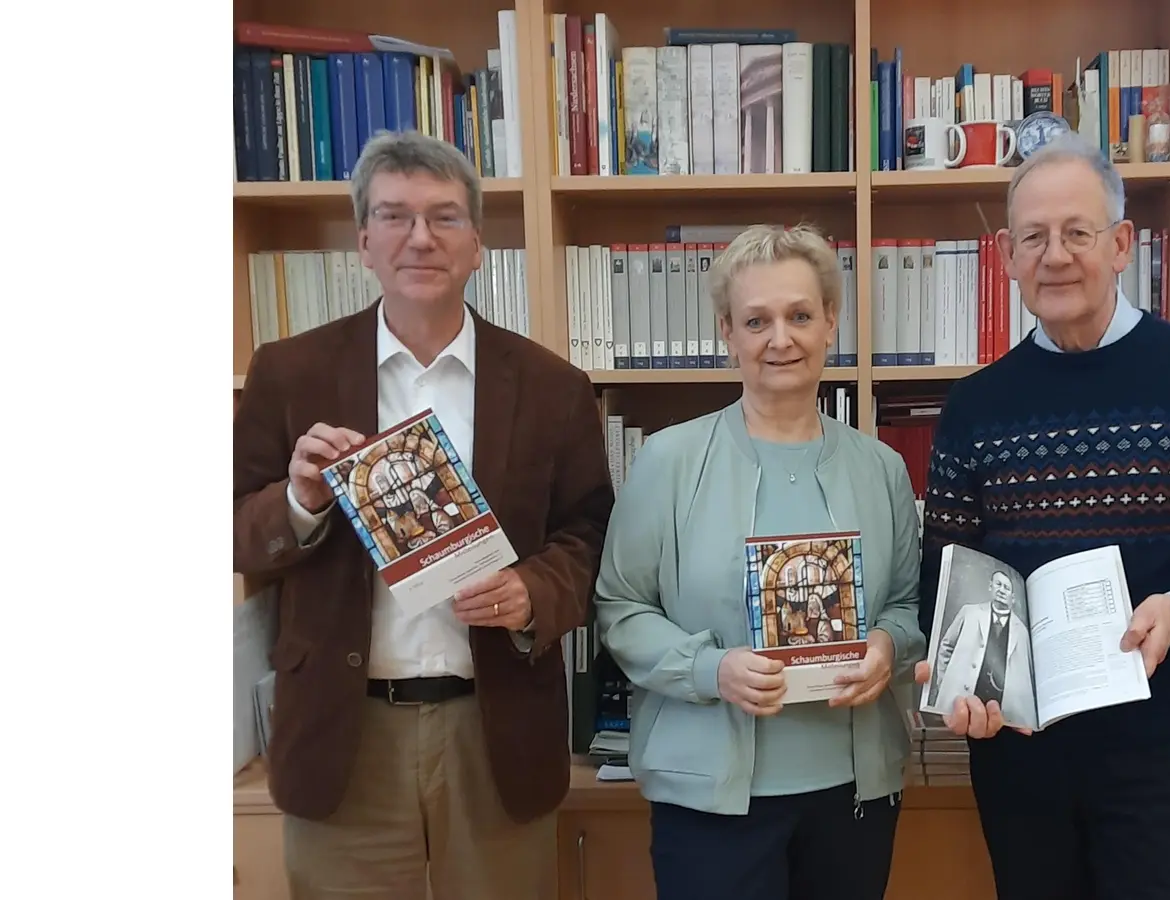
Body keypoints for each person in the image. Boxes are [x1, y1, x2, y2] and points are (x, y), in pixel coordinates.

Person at [913, 132, 1170, 900]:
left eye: (1078, 233)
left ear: (1123, 244)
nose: (1056, 255)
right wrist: (965, 676)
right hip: (1022, 756)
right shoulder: (974, 407)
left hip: (1164, 755)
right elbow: (947, 573)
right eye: (1035, 237)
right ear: (1007, 255)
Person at [232, 130, 614, 900]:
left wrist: (532, 594)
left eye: (443, 217)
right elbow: (236, 531)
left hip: (495, 728)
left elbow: (589, 534)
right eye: (395, 217)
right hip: (344, 736)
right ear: (364, 241)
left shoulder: (553, 386)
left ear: (478, 244)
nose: (420, 238)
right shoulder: (287, 372)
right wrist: (302, 501)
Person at [591, 223, 926, 900]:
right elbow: (619, 609)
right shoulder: (668, 462)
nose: (781, 338)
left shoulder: (882, 468)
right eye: (757, 320)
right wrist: (711, 669)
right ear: (728, 332)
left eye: (800, 315)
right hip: (711, 807)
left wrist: (888, 646)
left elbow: (908, 602)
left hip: (853, 796)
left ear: (831, 320)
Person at [928, 570, 1034, 726]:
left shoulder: (1023, 631)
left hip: (1002, 715)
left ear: (1013, 597)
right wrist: (944, 682)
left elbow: (1026, 674)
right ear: (990, 587)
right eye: (998, 584)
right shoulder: (969, 612)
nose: (1001, 590)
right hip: (964, 705)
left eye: (1006, 587)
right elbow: (946, 646)